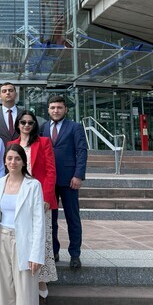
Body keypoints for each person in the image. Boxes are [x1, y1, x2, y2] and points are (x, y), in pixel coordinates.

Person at [0, 144, 45, 305]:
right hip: (2, 241)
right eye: (9, 158)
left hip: (23, 243)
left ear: (24, 161)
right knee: (4, 296)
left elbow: (39, 221)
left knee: (25, 297)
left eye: (17, 158)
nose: (12, 162)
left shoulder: (33, 185)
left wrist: (36, 254)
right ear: (5, 161)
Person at [8, 110, 57, 298]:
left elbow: (51, 171)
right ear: (18, 124)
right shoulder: (11, 145)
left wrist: (46, 197)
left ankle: (41, 278)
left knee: (41, 238)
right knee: (22, 235)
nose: (26, 125)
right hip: (17, 196)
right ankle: (23, 275)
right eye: (23, 122)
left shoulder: (43, 142)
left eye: (30, 122)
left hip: (39, 197)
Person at [41, 95, 88, 269]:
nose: (56, 110)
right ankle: (54, 251)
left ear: (65, 109)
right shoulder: (43, 128)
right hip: (49, 181)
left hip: (69, 180)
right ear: (48, 109)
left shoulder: (75, 127)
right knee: (50, 219)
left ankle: (75, 254)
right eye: (53, 107)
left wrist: (78, 175)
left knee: (72, 218)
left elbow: (82, 151)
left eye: (59, 107)